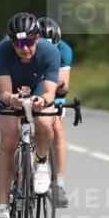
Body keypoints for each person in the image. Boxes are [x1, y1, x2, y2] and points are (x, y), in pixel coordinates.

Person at [0, 12, 61, 218]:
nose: (25, 48)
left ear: (37, 38)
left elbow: (50, 93)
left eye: (29, 42)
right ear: (11, 42)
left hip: (38, 86)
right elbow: (3, 92)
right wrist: (12, 99)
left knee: (46, 123)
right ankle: (3, 204)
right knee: (9, 139)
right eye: (19, 43)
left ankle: (40, 164)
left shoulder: (50, 52)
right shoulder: (1, 52)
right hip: (10, 91)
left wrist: (43, 100)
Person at [36, 17, 73, 207]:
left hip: (53, 87)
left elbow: (63, 87)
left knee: (57, 127)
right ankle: (20, 169)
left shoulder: (64, 50)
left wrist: (55, 83)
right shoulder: (26, 47)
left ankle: (58, 184)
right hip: (30, 82)